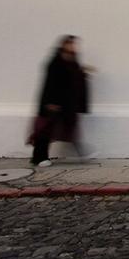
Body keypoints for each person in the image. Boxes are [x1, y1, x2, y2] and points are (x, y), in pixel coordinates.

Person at [29, 35, 92, 167]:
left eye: (74, 44)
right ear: (64, 45)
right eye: (70, 44)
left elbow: (73, 78)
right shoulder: (55, 62)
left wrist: (83, 72)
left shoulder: (72, 60)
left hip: (67, 104)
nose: (73, 47)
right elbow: (50, 83)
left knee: (70, 127)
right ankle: (39, 158)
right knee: (45, 131)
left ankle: (82, 153)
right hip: (53, 103)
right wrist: (50, 102)